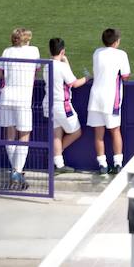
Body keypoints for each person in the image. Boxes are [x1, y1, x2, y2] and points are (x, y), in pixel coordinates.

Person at [0, 28, 39, 189]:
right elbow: (36, 71)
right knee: (24, 134)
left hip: (6, 97)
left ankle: (15, 170)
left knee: (10, 134)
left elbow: (0, 74)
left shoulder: (7, 51)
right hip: (23, 99)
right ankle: (17, 170)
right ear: (26, 39)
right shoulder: (34, 51)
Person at [88, 27, 131, 175]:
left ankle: (103, 166)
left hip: (95, 98)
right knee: (115, 131)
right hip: (110, 98)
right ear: (116, 42)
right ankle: (118, 164)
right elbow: (126, 76)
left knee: (98, 134)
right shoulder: (121, 54)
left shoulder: (97, 53)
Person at [47, 37, 87, 174]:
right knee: (76, 132)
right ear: (62, 51)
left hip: (49, 105)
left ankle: (58, 163)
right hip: (62, 106)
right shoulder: (62, 67)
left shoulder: (47, 64)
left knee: (57, 134)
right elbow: (74, 83)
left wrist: (66, 62)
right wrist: (88, 78)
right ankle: (56, 156)